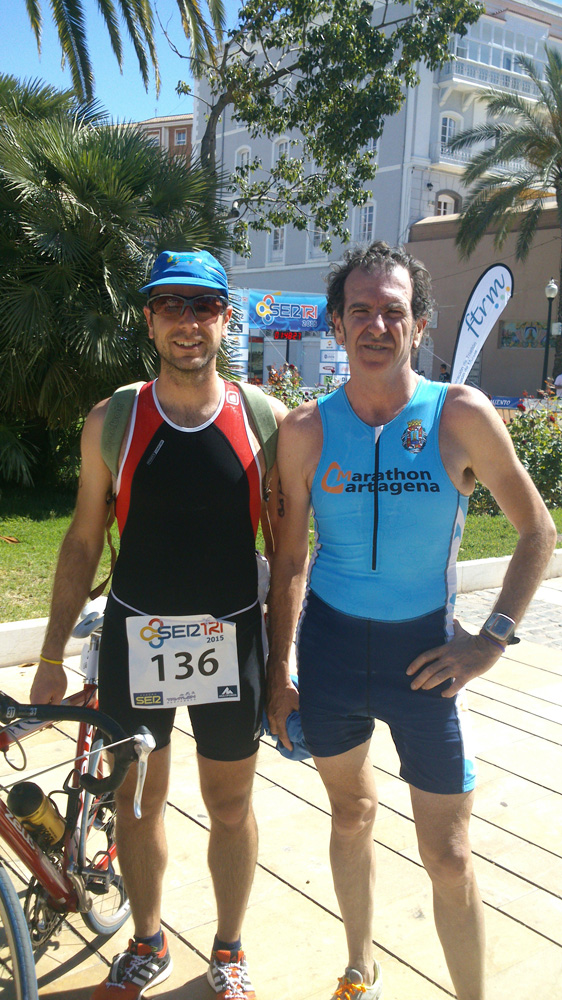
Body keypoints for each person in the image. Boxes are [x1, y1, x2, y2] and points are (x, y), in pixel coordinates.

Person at [266, 241, 556, 1000]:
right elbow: (290, 559)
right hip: (330, 653)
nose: (376, 325)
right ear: (336, 324)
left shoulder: (460, 414)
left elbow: (538, 530)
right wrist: (278, 671)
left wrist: (490, 641)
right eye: (359, 310)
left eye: (393, 311)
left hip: (426, 657)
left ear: (419, 325)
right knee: (349, 815)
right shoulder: (305, 429)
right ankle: (358, 967)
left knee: (450, 856)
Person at [31, 250, 286, 1000]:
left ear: (225, 318)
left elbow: (287, 552)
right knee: (137, 804)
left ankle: (229, 949)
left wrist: (284, 666)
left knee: (230, 807)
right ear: (148, 319)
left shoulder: (262, 419)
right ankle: (148, 941)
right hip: (135, 639)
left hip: (231, 640)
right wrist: (50, 655)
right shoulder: (114, 420)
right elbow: (83, 539)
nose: (188, 321)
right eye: (171, 305)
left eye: (203, 306)